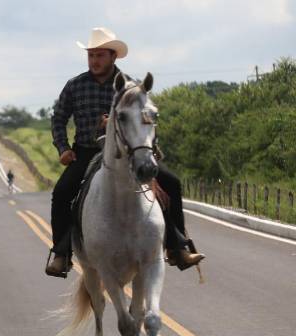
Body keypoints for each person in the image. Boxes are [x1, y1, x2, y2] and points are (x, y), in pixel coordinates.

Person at [45, 28, 204, 278]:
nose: (94, 61)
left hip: (128, 154)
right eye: (91, 55)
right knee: (62, 193)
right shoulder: (75, 86)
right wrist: (63, 148)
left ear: (113, 57)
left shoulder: (131, 87)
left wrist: (147, 146)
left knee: (171, 183)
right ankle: (61, 253)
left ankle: (178, 246)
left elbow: (147, 120)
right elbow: (58, 119)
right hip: (86, 152)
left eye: (99, 55)